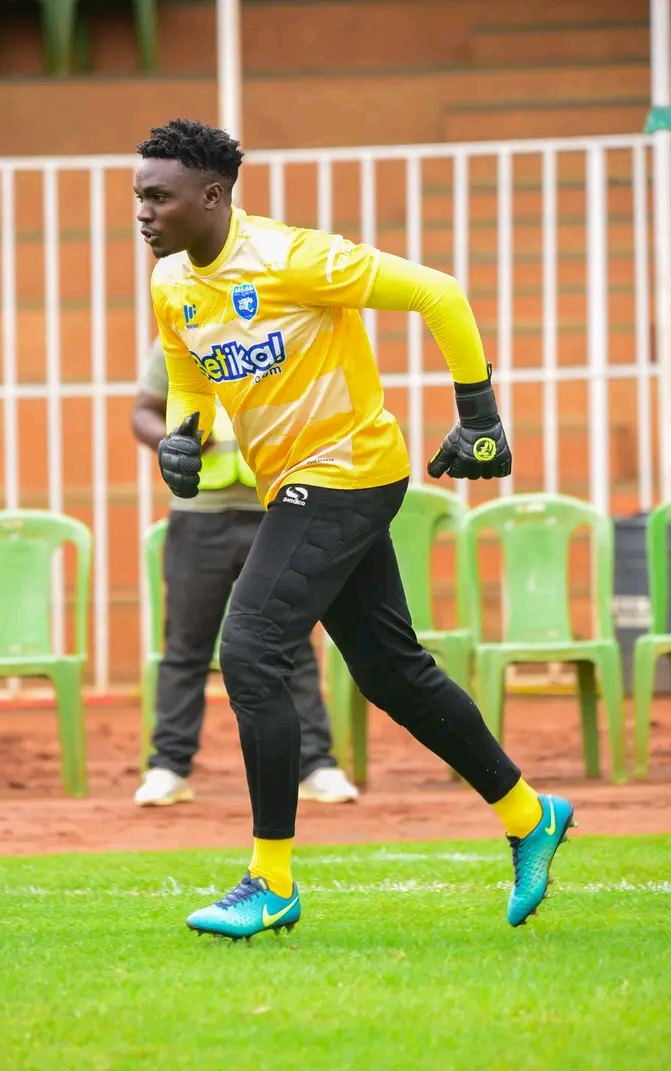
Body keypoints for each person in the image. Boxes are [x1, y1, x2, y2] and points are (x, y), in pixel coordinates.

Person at [134, 117, 576, 941]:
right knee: (390, 672)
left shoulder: (294, 257)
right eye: (139, 196)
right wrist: (183, 434)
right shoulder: (171, 283)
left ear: (212, 194)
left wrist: (477, 414)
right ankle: (529, 812)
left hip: (348, 469)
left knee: (253, 648)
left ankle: (270, 881)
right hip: (297, 486)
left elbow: (438, 292)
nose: (144, 211)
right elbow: (190, 365)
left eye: (158, 196)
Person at [131, 338, 358, 806]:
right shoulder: (181, 332)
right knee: (186, 645)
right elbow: (144, 410)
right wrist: (169, 441)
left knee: (289, 640)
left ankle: (316, 764)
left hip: (275, 509)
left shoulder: (281, 329)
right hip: (198, 516)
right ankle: (168, 767)